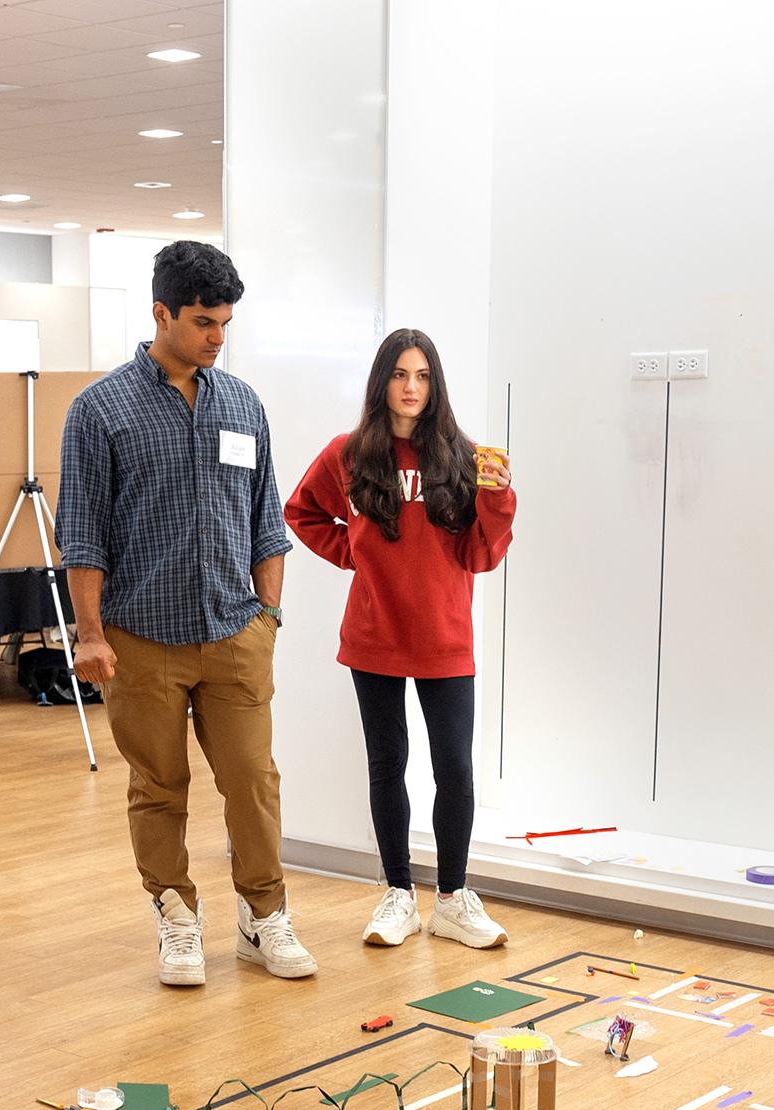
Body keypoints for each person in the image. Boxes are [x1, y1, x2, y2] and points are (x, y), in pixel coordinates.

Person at [60, 240, 309, 988]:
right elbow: (81, 533)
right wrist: (92, 634)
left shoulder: (242, 403)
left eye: (225, 322)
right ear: (161, 313)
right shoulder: (99, 410)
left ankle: (263, 918)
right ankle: (175, 914)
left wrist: (266, 618)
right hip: (140, 639)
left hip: (235, 632)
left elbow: (266, 520)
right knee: (158, 787)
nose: (216, 337)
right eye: (202, 321)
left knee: (253, 781)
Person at [287, 329, 516, 951]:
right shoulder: (350, 454)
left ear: (435, 384)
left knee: (455, 770)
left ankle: (451, 899)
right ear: (381, 381)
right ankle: (397, 895)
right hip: (376, 635)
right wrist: (354, 554)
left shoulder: (465, 458)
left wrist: (498, 501)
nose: (411, 388)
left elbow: (481, 555)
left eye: (422, 376)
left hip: (446, 638)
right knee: (387, 764)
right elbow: (301, 512)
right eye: (399, 375)